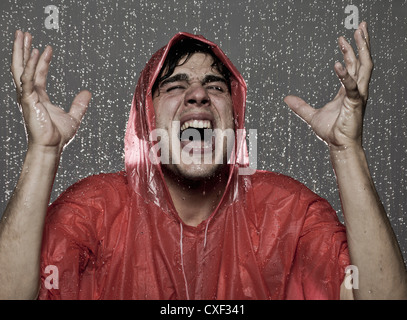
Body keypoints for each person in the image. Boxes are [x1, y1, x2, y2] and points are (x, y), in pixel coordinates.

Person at [0, 22, 406, 300]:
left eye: (215, 85)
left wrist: (346, 150)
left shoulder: (288, 211)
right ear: (147, 118)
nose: (198, 94)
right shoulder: (96, 209)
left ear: (235, 115)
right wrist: (43, 153)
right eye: (176, 85)